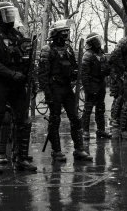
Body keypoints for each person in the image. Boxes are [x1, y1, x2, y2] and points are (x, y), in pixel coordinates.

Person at [0, 2, 38, 174]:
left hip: (18, 84)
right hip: (1, 84)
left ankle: (20, 158)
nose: (12, 17)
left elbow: (24, 58)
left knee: (23, 121)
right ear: (0, 16)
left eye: (13, 14)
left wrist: (29, 77)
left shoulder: (16, 34)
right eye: (8, 14)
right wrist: (11, 74)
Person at [38, 20, 93, 161]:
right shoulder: (47, 50)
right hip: (54, 88)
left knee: (75, 118)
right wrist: (47, 93)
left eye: (67, 33)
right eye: (63, 33)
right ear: (56, 34)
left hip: (67, 88)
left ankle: (79, 149)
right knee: (54, 120)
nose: (66, 35)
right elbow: (42, 74)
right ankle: (56, 151)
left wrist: (75, 73)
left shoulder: (68, 49)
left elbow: (74, 67)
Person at [80, 32, 111, 139]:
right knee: (88, 108)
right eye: (96, 40)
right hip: (92, 83)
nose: (99, 42)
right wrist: (87, 88)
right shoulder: (88, 55)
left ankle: (101, 130)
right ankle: (85, 131)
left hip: (101, 83)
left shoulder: (101, 54)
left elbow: (106, 67)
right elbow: (84, 74)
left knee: (100, 108)